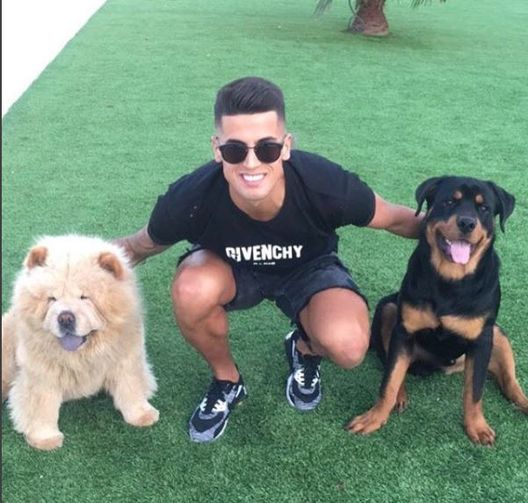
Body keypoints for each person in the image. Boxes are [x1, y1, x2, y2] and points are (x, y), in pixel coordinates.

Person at [115, 76, 422, 443]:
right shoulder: (191, 198)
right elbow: (137, 247)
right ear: (217, 149)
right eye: (234, 150)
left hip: (309, 269)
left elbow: (396, 219)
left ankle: (303, 347)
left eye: (267, 148)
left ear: (286, 146)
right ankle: (227, 380)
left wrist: (460, 238)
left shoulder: (325, 185)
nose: (251, 163)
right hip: (231, 270)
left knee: (349, 346)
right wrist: (69, 276)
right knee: (191, 289)